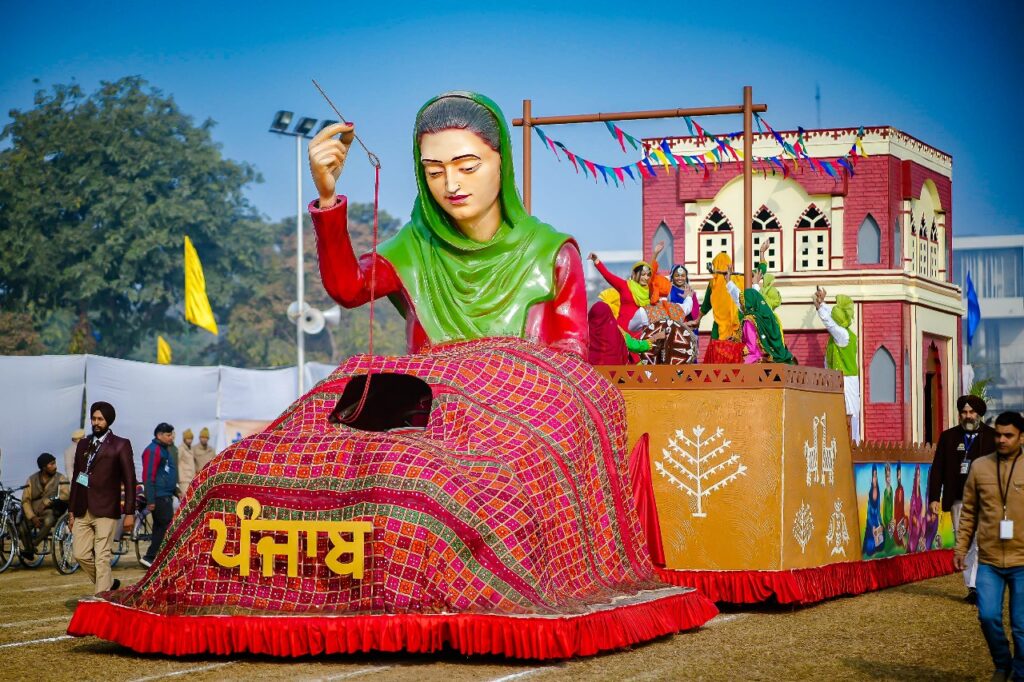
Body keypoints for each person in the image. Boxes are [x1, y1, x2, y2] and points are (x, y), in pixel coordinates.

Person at [66, 92, 710, 657]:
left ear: (501, 165)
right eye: (434, 170)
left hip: (514, 421)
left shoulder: (551, 254)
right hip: (419, 411)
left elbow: (566, 372)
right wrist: (327, 198)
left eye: (467, 165)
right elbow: (348, 287)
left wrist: (503, 400)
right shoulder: (414, 251)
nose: (452, 183)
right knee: (258, 467)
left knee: (443, 484)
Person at [954, 411, 1024, 682]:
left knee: (1021, 625)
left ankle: (1019, 673)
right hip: (989, 561)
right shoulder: (980, 467)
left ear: (1021, 437)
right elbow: (969, 512)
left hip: (1022, 561)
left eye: (1008, 435)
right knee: (988, 616)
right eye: (998, 435)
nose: (1002, 440)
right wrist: (961, 548)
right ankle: (1002, 663)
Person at [929, 394, 998, 602]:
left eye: (971, 412)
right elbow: (937, 469)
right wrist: (934, 498)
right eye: (964, 412)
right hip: (958, 499)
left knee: (982, 542)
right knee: (965, 541)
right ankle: (972, 587)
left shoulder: (992, 437)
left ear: (979, 414)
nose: (968, 416)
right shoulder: (948, 437)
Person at [69, 401, 136, 593]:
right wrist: (71, 510)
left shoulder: (121, 444)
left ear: (108, 421)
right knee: (80, 554)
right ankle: (108, 583)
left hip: (107, 508)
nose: (96, 422)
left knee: (102, 555)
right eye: (94, 418)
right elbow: (76, 478)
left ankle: (102, 598)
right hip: (82, 508)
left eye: (100, 419)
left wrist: (129, 512)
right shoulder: (83, 444)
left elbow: (130, 480)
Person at [813, 287, 861, 442]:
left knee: (850, 414)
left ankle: (853, 445)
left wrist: (820, 308)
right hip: (838, 380)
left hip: (846, 380)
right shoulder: (842, 333)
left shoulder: (843, 335)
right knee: (837, 415)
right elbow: (832, 319)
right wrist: (822, 303)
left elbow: (830, 324)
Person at [18, 453, 70, 561]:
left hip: (50, 511)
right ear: (44, 467)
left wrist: (48, 501)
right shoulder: (31, 479)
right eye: (52, 464)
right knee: (22, 527)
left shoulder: (60, 477)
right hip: (33, 513)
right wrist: (32, 517)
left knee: (48, 520)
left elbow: (66, 495)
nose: (55, 466)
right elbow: (25, 500)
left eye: (55, 463)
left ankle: (33, 544)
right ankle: (29, 549)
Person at [139, 423, 177, 569]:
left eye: (172, 434)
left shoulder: (164, 450)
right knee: (165, 527)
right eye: (168, 435)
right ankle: (150, 557)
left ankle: (156, 558)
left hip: (166, 494)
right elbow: (148, 476)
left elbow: (166, 473)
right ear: (159, 435)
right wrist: (150, 499)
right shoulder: (152, 450)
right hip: (159, 496)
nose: (171, 437)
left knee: (161, 527)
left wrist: (176, 491)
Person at [698, 252, 744, 363]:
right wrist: (761, 255)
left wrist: (698, 319)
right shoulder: (740, 279)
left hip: (719, 328)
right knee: (738, 356)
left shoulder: (713, 283)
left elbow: (705, 306)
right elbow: (760, 271)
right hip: (739, 326)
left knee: (716, 358)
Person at [590, 254, 654, 334]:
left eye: (648, 275)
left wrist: (655, 253)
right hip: (622, 332)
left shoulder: (651, 291)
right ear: (634, 274)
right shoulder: (624, 285)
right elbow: (607, 275)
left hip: (641, 334)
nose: (646, 277)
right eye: (643, 274)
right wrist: (596, 261)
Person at [588, 300, 659, 365]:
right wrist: (654, 338)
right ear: (609, 314)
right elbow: (633, 346)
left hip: (592, 372)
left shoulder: (586, 332)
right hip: (618, 372)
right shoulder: (617, 330)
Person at [863, 463, 884, 556]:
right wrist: (872, 527)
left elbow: (878, 512)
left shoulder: (878, 492)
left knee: (881, 545)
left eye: (876, 475)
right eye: (873, 476)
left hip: (876, 523)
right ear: (872, 479)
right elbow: (869, 513)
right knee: (870, 550)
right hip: (871, 523)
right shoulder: (870, 492)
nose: (875, 478)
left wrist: (881, 524)